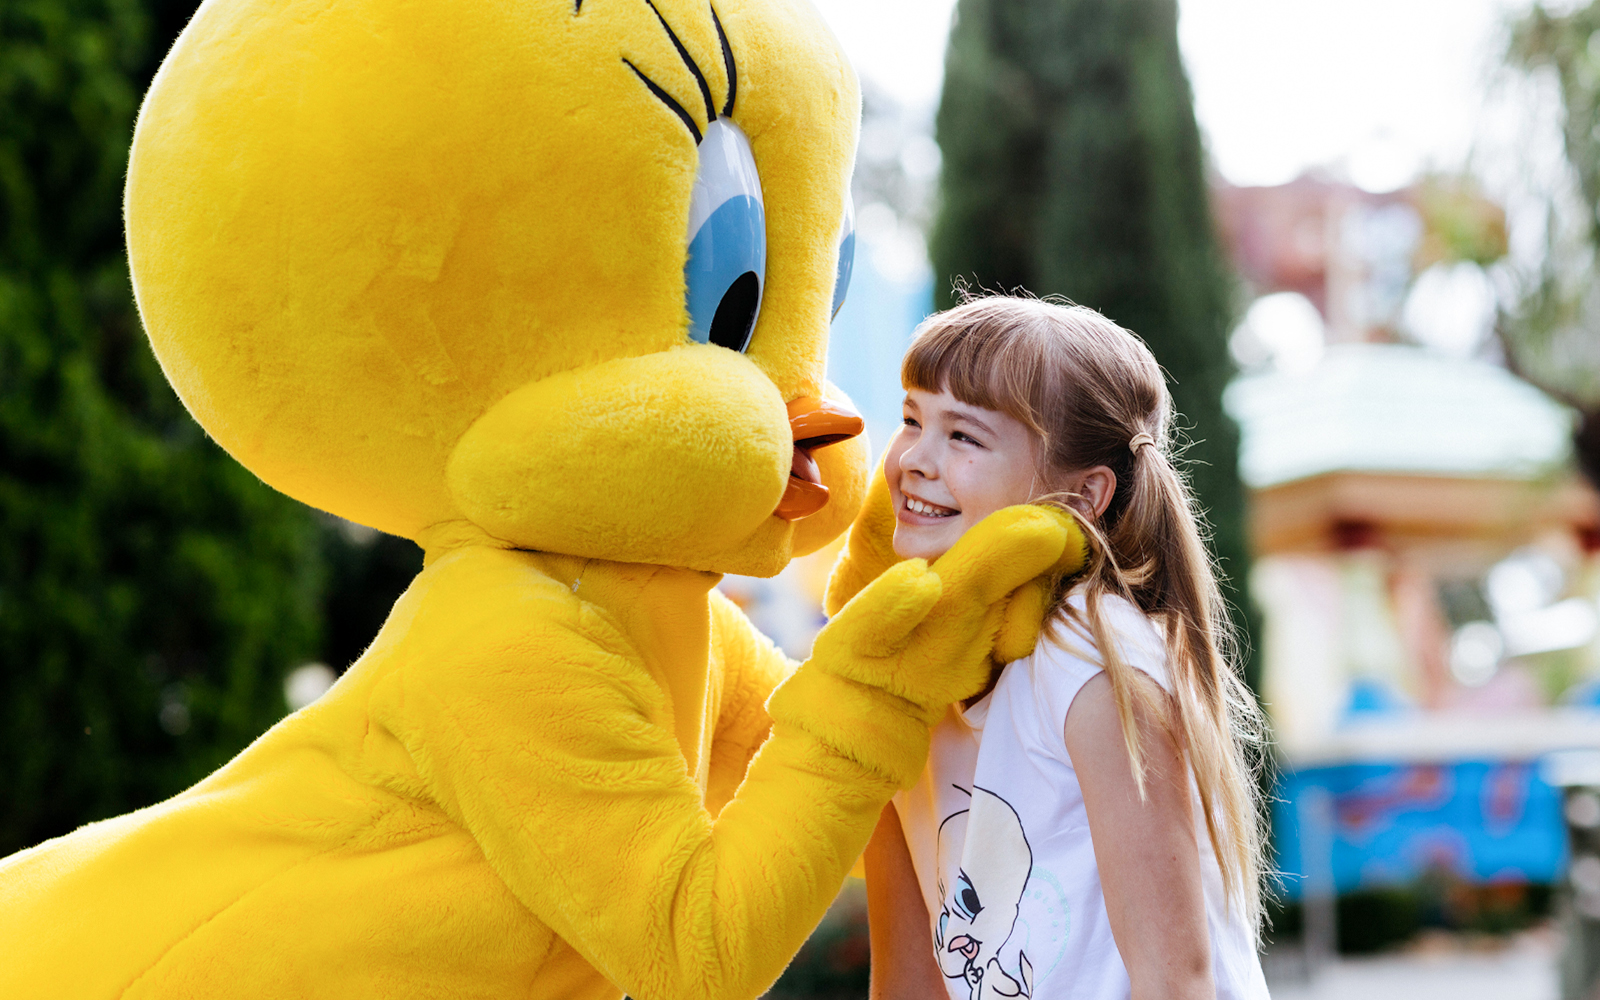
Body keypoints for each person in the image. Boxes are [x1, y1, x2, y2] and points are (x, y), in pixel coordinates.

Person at [847, 295, 1271, 1000]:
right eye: (912, 419)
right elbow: (907, 980)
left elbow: (1175, 978)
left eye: (964, 437)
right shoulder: (900, 672)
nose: (914, 460)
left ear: (1079, 499)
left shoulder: (1089, 654)